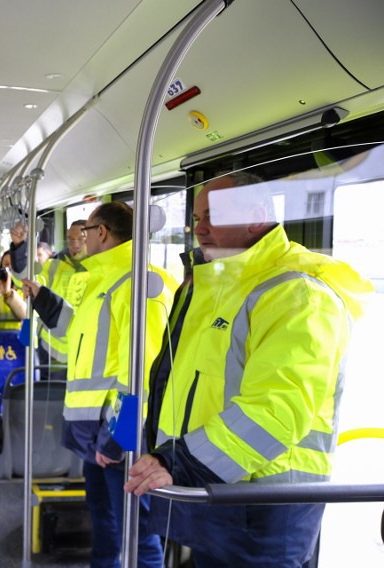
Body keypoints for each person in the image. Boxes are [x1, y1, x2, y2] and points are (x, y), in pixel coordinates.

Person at [124, 172, 373, 567]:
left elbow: (276, 410)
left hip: (267, 503)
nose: (199, 228)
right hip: (214, 487)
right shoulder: (214, 286)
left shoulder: (297, 293)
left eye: (212, 216)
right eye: (196, 218)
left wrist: (177, 462)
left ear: (257, 215)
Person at [23, 202, 176, 568]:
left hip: (120, 435)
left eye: (86, 232)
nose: (83, 239)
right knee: (104, 522)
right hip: (94, 434)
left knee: (138, 534)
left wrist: (118, 437)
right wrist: (44, 301)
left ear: (102, 233)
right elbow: (73, 341)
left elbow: (144, 371)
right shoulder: (101, 282)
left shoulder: (141, 284)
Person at [35, 219, 88, 381]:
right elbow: (31, 282)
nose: (75, 245)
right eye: (71, 240)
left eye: (81, 239)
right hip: (52, 347)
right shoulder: (52, 266)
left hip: (84, 349)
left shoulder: (100, 269)